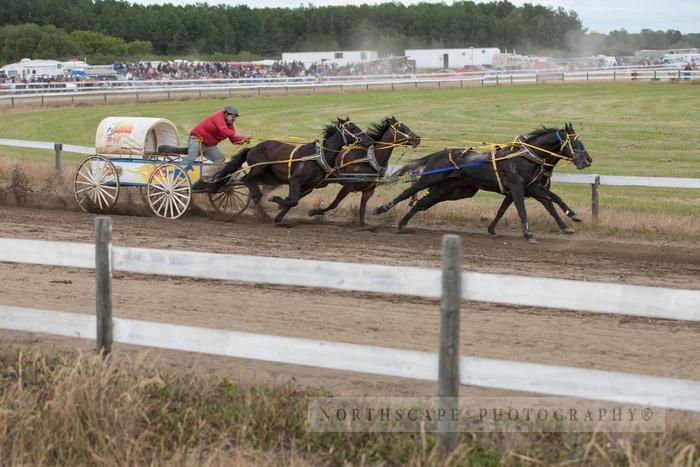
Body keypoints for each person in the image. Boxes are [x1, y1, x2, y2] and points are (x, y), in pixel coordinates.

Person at [184, 105, 251, 164]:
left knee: (220, 159)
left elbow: (234, 140)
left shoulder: (230, 124)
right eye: (232, 116)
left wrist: (244, 140)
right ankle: (177, 170)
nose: (233, 119)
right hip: (196, 139)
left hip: (209, 145)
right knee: (191, 158)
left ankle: (214, 176)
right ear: (226, 114)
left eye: (235, 117)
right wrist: (242, 136)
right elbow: (224, 130)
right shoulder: (218, 117)